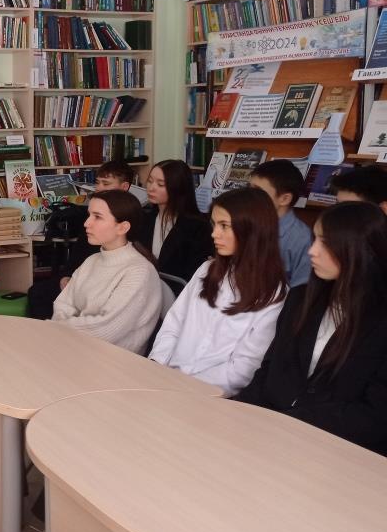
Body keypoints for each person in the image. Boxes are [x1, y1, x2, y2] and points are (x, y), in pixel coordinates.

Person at [235, 202, 387, 455]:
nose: (312, 251)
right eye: (314, 239)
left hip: (340, 450)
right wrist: (238, 411)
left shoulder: (379, 321)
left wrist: (289, 422)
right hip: (271, 431)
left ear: (360, 250)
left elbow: (376, 416)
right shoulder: (301, 298)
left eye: (325, 243)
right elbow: (270, 370)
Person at [149, 187, 287, 396]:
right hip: (165, 379)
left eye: (224, 226)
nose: (214, 234)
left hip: (209, 395)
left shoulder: (273, 293)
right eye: (214, 224)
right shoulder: (207, 269)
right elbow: (173, 323)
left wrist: (186, 387)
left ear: (252, 229)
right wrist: (157, 365)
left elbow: (244, 367)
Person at [50, 190, 162, 354]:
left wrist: (55, 327)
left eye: (97, 217)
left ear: (123, 227)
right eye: (89, 215)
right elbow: (63, 304)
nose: (86, 223)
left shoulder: (140, 272)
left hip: (111, 360)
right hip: (75, 347)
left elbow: (105, 330)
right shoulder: (92, 261)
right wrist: (57, 328)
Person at [27, 160, 136, 320]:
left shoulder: (130, 219)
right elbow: (78, 256)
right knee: (38, 292)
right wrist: (66, 276)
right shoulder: (91, 222)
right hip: (81, 278)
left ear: (124, 187)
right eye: (97, 183)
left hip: (100, 284)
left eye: (106, 184)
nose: (99, 188)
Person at [141, 159, 213, 282]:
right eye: (150, 181)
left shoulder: (197, 227)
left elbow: (193, 274)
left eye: (160, 184)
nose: (151, 188)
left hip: (176, 290)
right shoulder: (144, 217)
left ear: (178, 188)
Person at [249, 159, 312, 287]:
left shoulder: (302, 239)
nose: (249, 196)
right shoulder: (248, 223)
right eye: (249, 189)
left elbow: (301, 290)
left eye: (258, 191)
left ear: (284, 199)